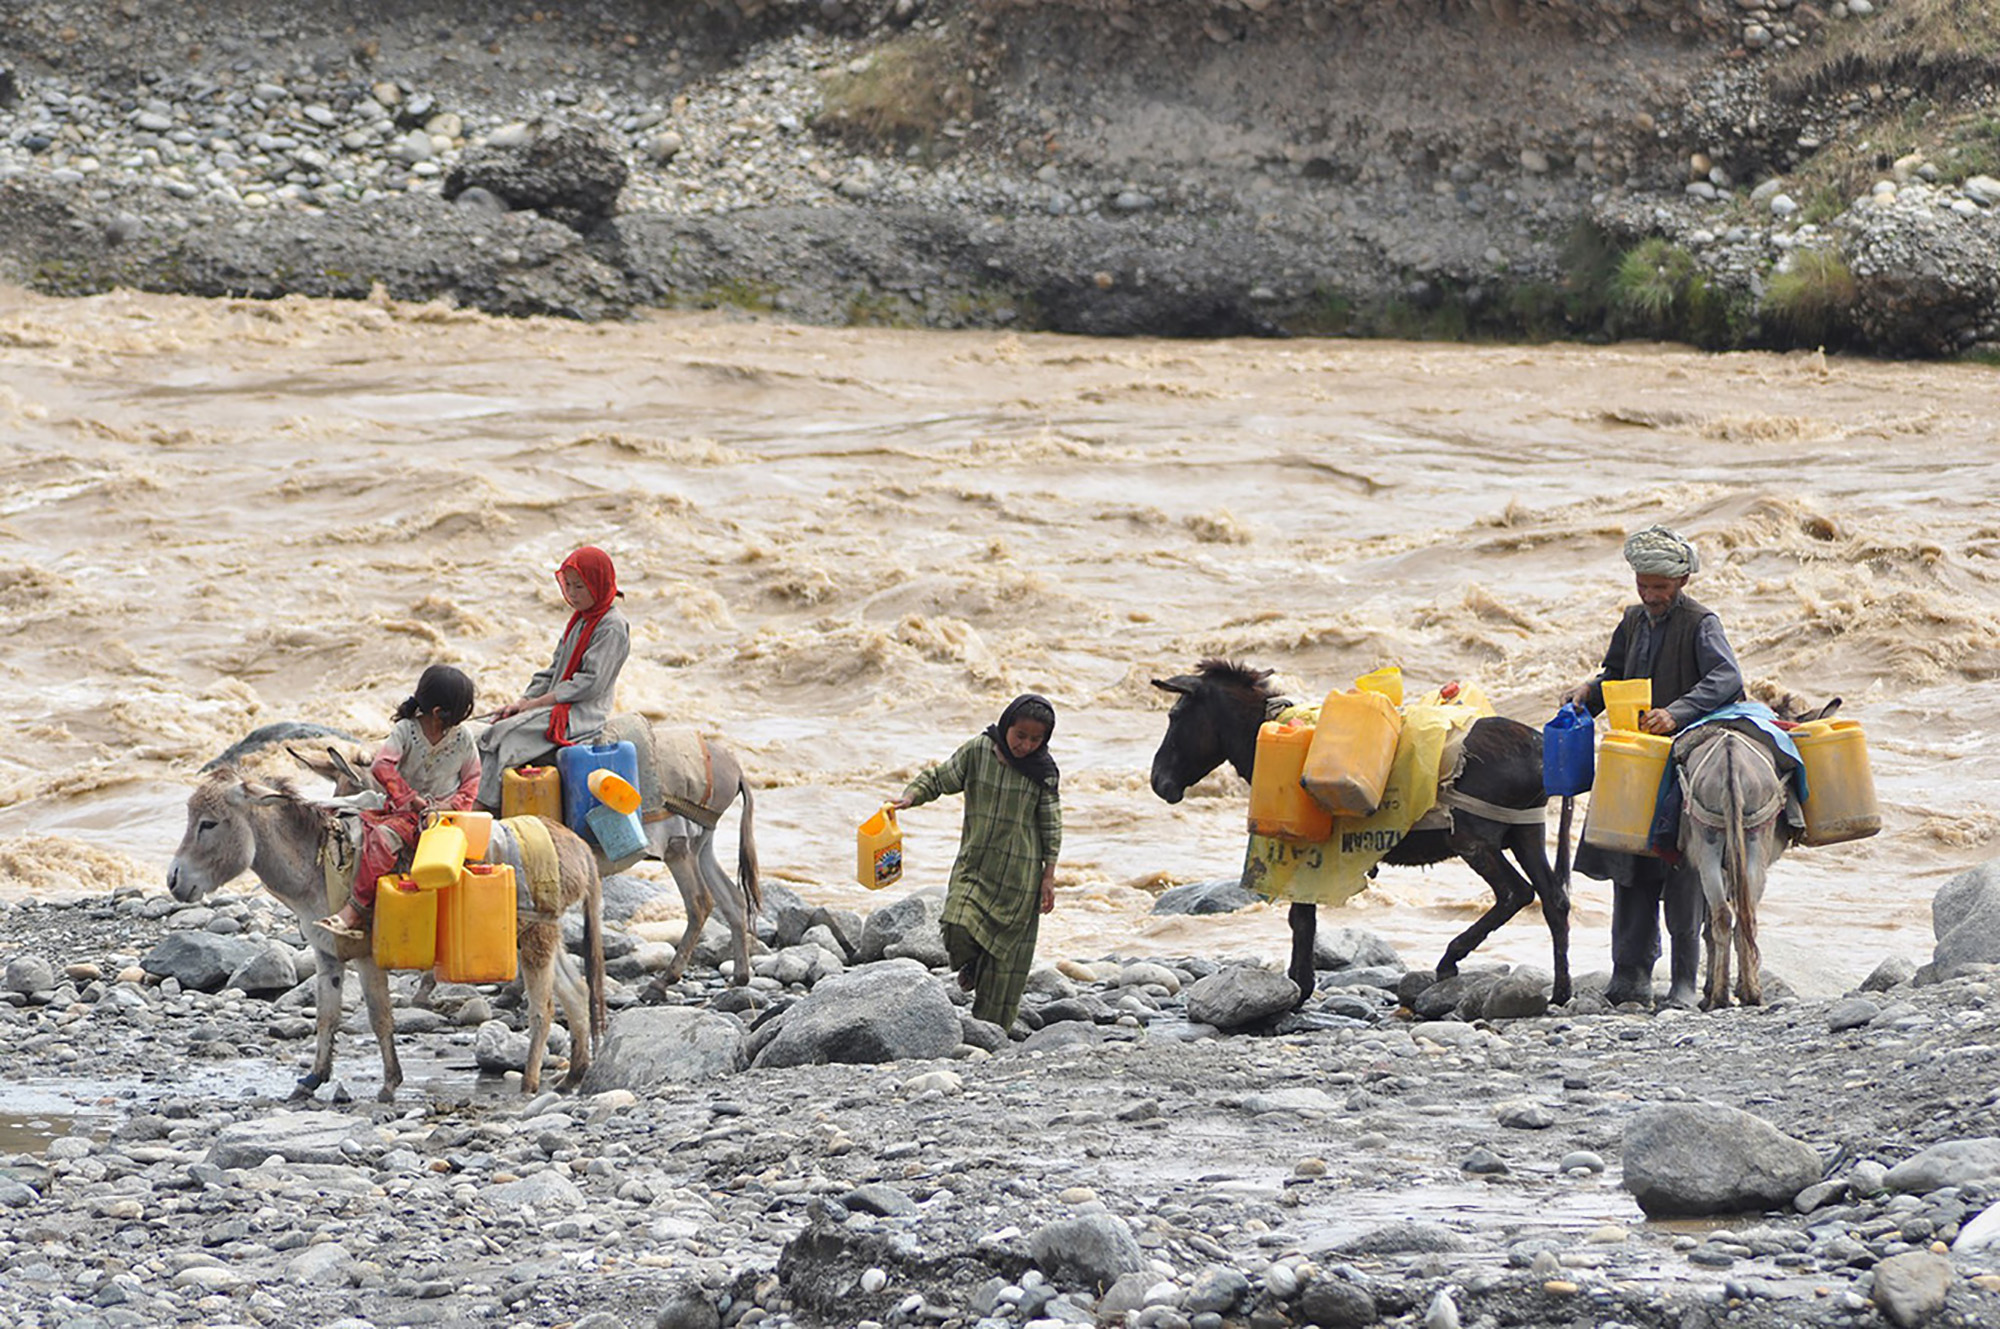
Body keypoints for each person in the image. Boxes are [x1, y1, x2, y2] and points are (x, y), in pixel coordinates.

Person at [1565, 524, 1745, 1010]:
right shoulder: (1633, 620)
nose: (1650, 596)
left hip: (1685, 760)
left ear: (1683, 581)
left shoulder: (1701, 622)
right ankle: (1629, 977)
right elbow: (1616, 676)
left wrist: (1678, 711)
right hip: (1635, 760)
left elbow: (1727, 677)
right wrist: (1589, 692)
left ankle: (1685, 982)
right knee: (1629, 866)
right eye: (1643, 586)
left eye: (1660, 589)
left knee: (1683, 866)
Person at [891, 694, 1062, 1030]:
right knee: (956, 924)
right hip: (975, 867)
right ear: (1006, 724)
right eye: (1020, 735)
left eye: (1035, 739)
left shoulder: (1043, 773)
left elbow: (1051, 825)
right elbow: (941, 777)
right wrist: (910, 797)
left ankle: (989, 1037)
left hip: (1019, 879)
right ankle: (970, 963)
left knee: (1004, 971)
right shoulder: (978, 752)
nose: (1026, 745)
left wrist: (1049, 876)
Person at [316, 664, 481, 939]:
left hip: (447, 816)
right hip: (405, 813)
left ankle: (356, 910)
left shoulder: (463, 738)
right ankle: (357, 907)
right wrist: (412, 800)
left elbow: (472, 779)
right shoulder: (406, 731)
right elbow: (382, 767)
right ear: (439, 712)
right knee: (380, 838)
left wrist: (446, 807)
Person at [476, 546, 630, 811]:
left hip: (582, 713)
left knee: (503, 735)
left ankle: (481, 807)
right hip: (556, 703)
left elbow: (591, 682)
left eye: (579, 586)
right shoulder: (579, 620)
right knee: (494, 724)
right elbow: (553, 670)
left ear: (598, 583)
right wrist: (523, 700)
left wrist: (537, 704)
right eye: (568, 585)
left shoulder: (612, 626)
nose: (571, 593)